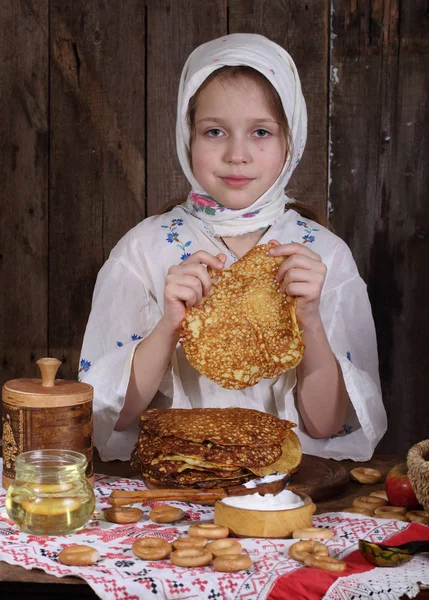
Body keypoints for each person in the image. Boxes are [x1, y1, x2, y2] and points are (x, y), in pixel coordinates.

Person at [79, 34, 387, 463]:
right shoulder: (144, 250)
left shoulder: (324, 257)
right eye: (214, 131)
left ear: (290, 142)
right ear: (187, 138)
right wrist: (168, 326)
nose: (236, 154)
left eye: (261, 131)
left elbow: (325, 425)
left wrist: (310, 320)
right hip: (174, 484)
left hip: (286, 493)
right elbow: (114, 417)